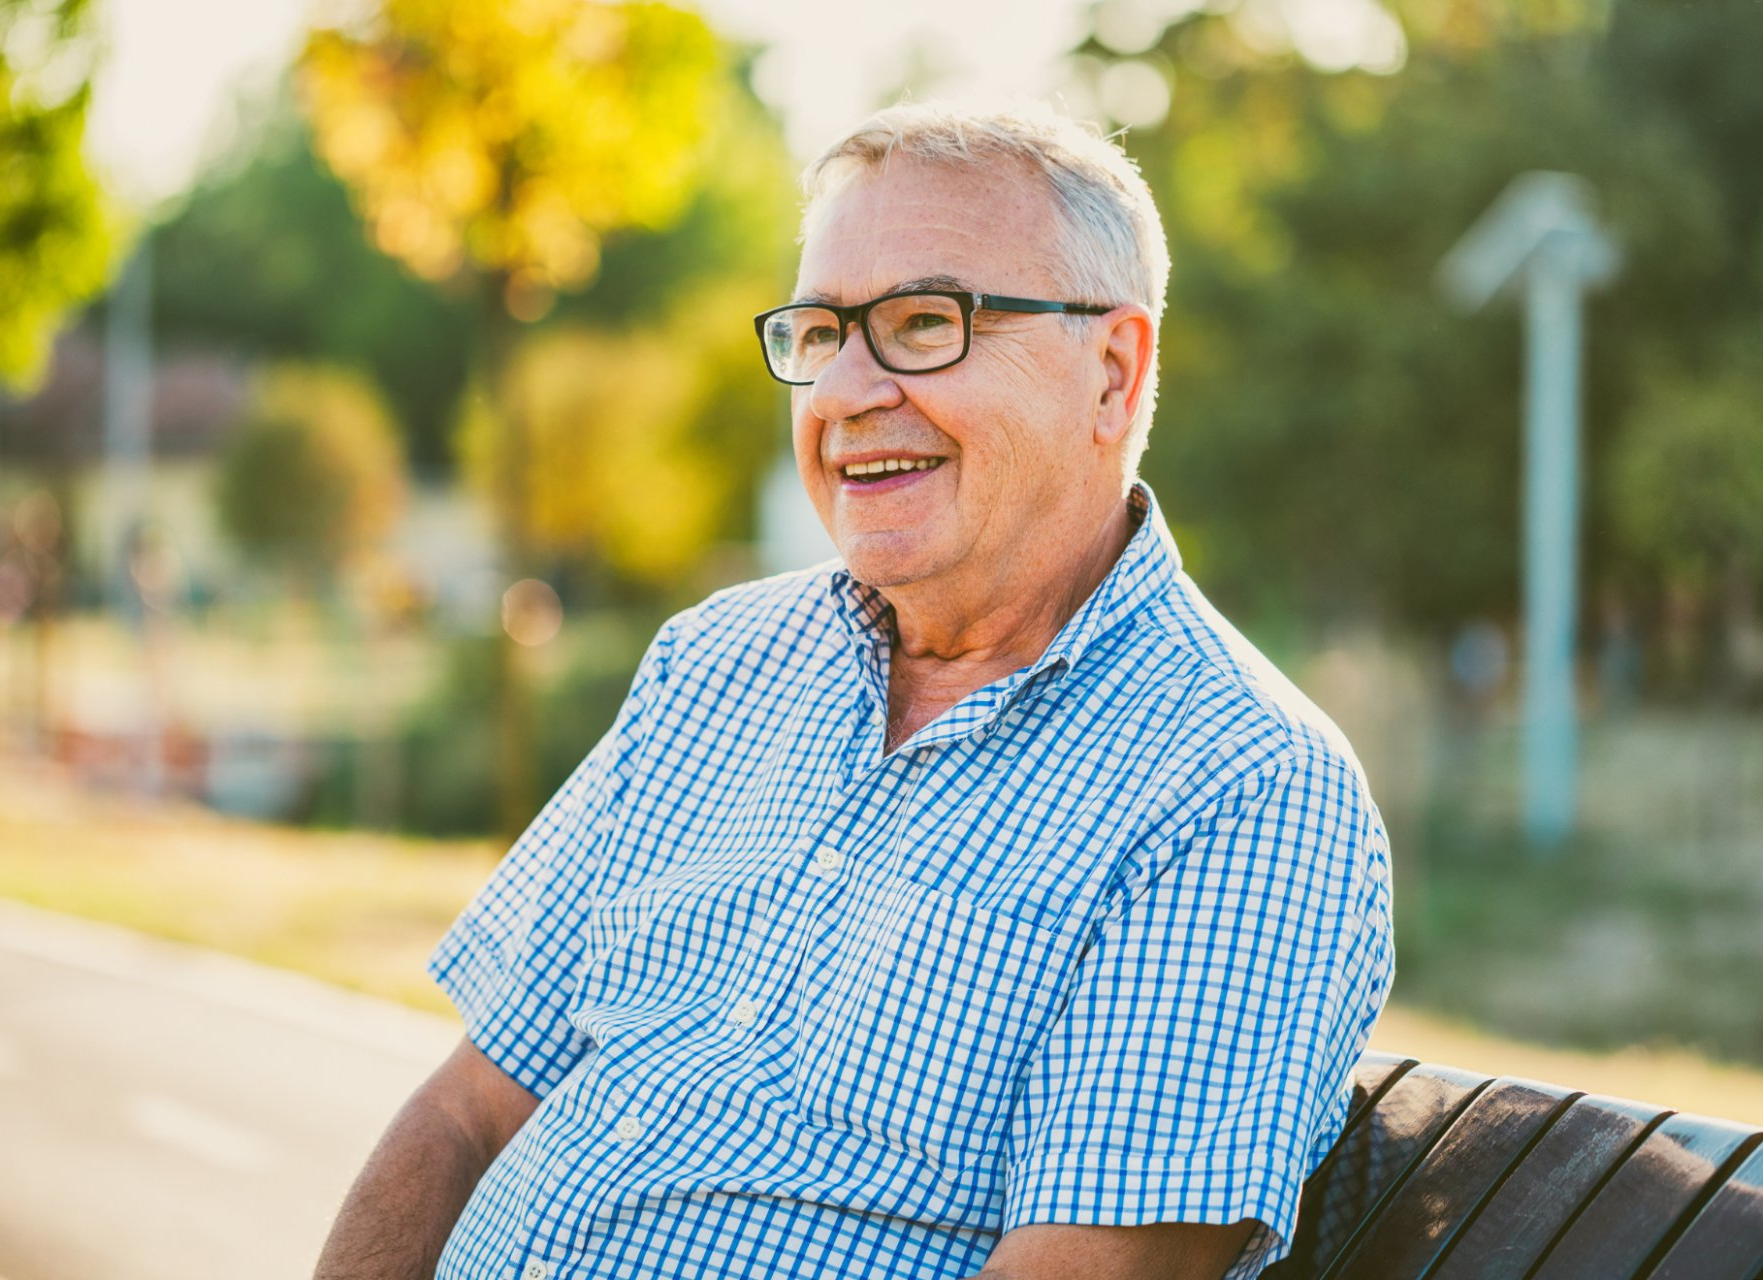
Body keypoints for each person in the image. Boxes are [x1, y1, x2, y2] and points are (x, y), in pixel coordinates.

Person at [314, 101, 1394, 1280]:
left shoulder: (1242, 785)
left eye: (925, 323)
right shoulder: (711, 665)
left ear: (1112, 372)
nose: (844, 391)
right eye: (821, 334)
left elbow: (1087, 1271)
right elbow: (465, 1111)